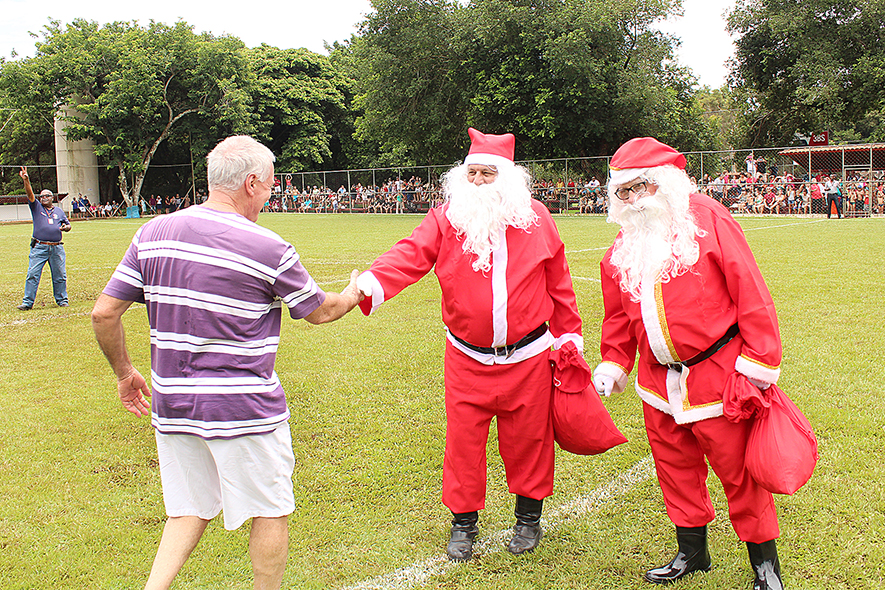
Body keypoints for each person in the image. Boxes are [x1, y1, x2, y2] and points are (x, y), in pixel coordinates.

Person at [90, 135, 363, 590]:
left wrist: (124, 374)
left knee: (187, 508)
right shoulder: (267, 246)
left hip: (173, 406)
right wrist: (354, 292)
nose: (271, 196)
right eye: (271, 187)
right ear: (251, 183)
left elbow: (104, 313)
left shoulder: (151, 232)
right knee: (271, 509)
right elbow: (321, 310)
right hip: (245, 410)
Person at [356, 128, 583, 561]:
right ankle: (464, 524)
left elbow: (560, 283)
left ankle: (528, 520)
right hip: (466, 357)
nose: (478, 182)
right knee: (463, 443)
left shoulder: (536, 218)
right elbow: (410, 254)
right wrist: (369, 284)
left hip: (529, 357)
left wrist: (569, 336)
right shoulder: (446, 218)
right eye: (472, 173)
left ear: (508, 179)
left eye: (487, 174)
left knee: (530, 441)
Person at [593, 137, 786, 590]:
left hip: (719, 374)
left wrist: (758, 363)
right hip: (657, 382)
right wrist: (615, 362)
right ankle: (692, 551)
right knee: (675, 468)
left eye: (640, 187)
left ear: (664, 183)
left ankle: (765, 566)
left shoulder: (707, 218)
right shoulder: (624, 245)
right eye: (623, 192)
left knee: (739, 473)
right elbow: (619, 314)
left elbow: (750, 290)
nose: (634, 200)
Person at [17, 167, 70, 310]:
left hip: (57, 247)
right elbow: (29, 194)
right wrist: (26, 180)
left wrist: (65, 228)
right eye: (42, 196)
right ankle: (28, 302)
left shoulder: (58, 211)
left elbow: (68, 225)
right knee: (33, 274)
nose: (44, 198)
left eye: (47, 196)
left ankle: (62, 300)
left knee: (60, 275)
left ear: (52, 198)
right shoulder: (36, 207)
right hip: (39, 246)